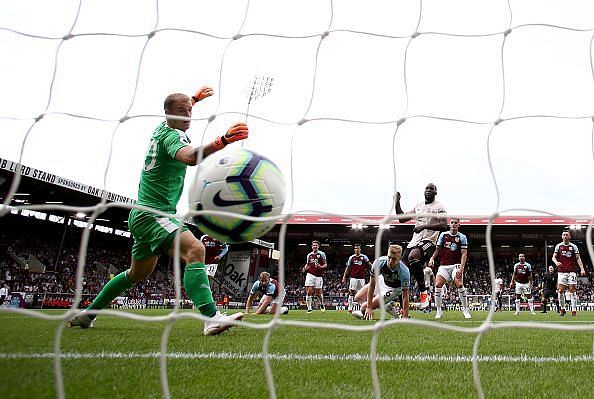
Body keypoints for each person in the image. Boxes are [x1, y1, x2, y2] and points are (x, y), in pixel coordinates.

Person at [68, 87, 248, 336]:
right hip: (155, 213)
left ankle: (88, 314)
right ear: (169, 114)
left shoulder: (161, 128)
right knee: (196, 249)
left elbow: (177, 108)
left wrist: (193, 100)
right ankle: (211, 318)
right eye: (182, 111)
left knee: (136, 273)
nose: (188, 116)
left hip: (142, 213)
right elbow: (190, 157)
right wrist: (223, 141)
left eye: (190, 111)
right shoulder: (174, 136)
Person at [395, 183, 447, 310]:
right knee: (401, 272)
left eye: (432, 189)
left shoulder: (438, 206)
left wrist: (424, 226)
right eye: (427, 189)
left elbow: (444, 225)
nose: (429, 191)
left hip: (429, 241)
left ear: (435, 192)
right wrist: (397, 202)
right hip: (414, 242)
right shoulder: (419, 206)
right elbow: (401, 219)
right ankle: (403, 311)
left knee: (413, 257)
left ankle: (423, 292)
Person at [351, 244, 410, 320]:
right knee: (357, 298)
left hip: (393, 289)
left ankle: (391, 309)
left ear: (399, 259)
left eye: (394, 259)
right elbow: (372, 285)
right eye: (389, 257)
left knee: (363, 308)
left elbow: (405, 296)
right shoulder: (379, 262)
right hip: (381, 280)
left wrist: (405, 317)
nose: (390, 261)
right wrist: (369, 307)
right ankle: (387, 306)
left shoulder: (404, 271)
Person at [428, 218, 471, 319]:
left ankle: (465, 309)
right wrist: (432, 258)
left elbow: (464, 254)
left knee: (459, 284)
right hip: (444, 266)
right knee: (437, 284)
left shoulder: (462, 237)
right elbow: (437, 249)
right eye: (452, 223)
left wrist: (461, 268)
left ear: (458, 225)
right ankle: (438, 311)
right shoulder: (443, 235)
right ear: (449, 224)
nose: (453, 224)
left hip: (456, 265)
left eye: (456, 223)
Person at [552, 231, 587, 316]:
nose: (565, 236)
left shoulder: (574, 246)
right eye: (563, 234)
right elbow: (553, 257)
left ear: (569, 237)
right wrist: (556, 262)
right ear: (562, 237)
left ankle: (574, 310)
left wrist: (582, 269)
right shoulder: (558, 246)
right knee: (560, 291)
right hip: (561, 271)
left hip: (571, 271)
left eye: (567, 235)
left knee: (572, 290)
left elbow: (578, 258)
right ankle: (562, 308)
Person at [342, 243, 372, 313]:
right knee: (352, 292)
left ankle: (362, 306)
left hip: (362, 278)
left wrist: (374, 269)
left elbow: (369, 264)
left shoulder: (364, 257)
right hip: (353, 278)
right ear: (354, 250)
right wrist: (344, 277)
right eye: (356, 248)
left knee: (362, 293)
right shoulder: (351, 258)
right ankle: (350, 307)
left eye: (358, 248)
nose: (357, 249)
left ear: (360, 249)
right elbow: (348, 268)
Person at [301, 240, 327, 313]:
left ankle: (321, 304)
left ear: (318, 246)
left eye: (316, 245)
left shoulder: (322, 254)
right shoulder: (309, 255)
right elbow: (308, 264)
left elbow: (325, 265)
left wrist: (320, 267)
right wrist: (304, 268)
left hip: (319, 276)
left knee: (318, 293)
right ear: (312, 246)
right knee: (309, 291)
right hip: (310, 274)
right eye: (313, 245)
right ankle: (309, 308)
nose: (315, 246)